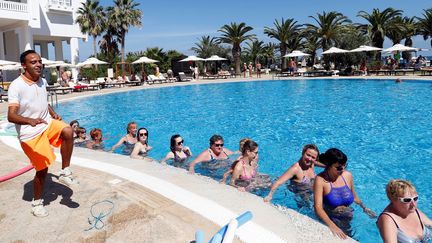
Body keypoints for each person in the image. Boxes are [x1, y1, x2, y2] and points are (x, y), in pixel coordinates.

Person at [7, 50, 78, 217]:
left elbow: (43, 101)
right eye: (33, 62)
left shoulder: (42, 81)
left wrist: (52, 113)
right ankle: (36, 203)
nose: (38, 64)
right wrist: (29, 120)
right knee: (43, 170)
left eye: (39, 61)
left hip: (46, 123)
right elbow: (11, 115)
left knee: (68, 131)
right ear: (24, 66)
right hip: (30, 134)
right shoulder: (16, 86)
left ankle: (65, 171)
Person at [313, 148, 376, 239]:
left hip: (346, 218)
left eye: (344, 166)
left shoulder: (347, 176)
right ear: (328, 165)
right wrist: (332, 225)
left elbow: (354, 196)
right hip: (330, 218)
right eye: (338, 167)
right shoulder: (320, 180)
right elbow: (318, 207)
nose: (342, 169)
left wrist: (364, 208)